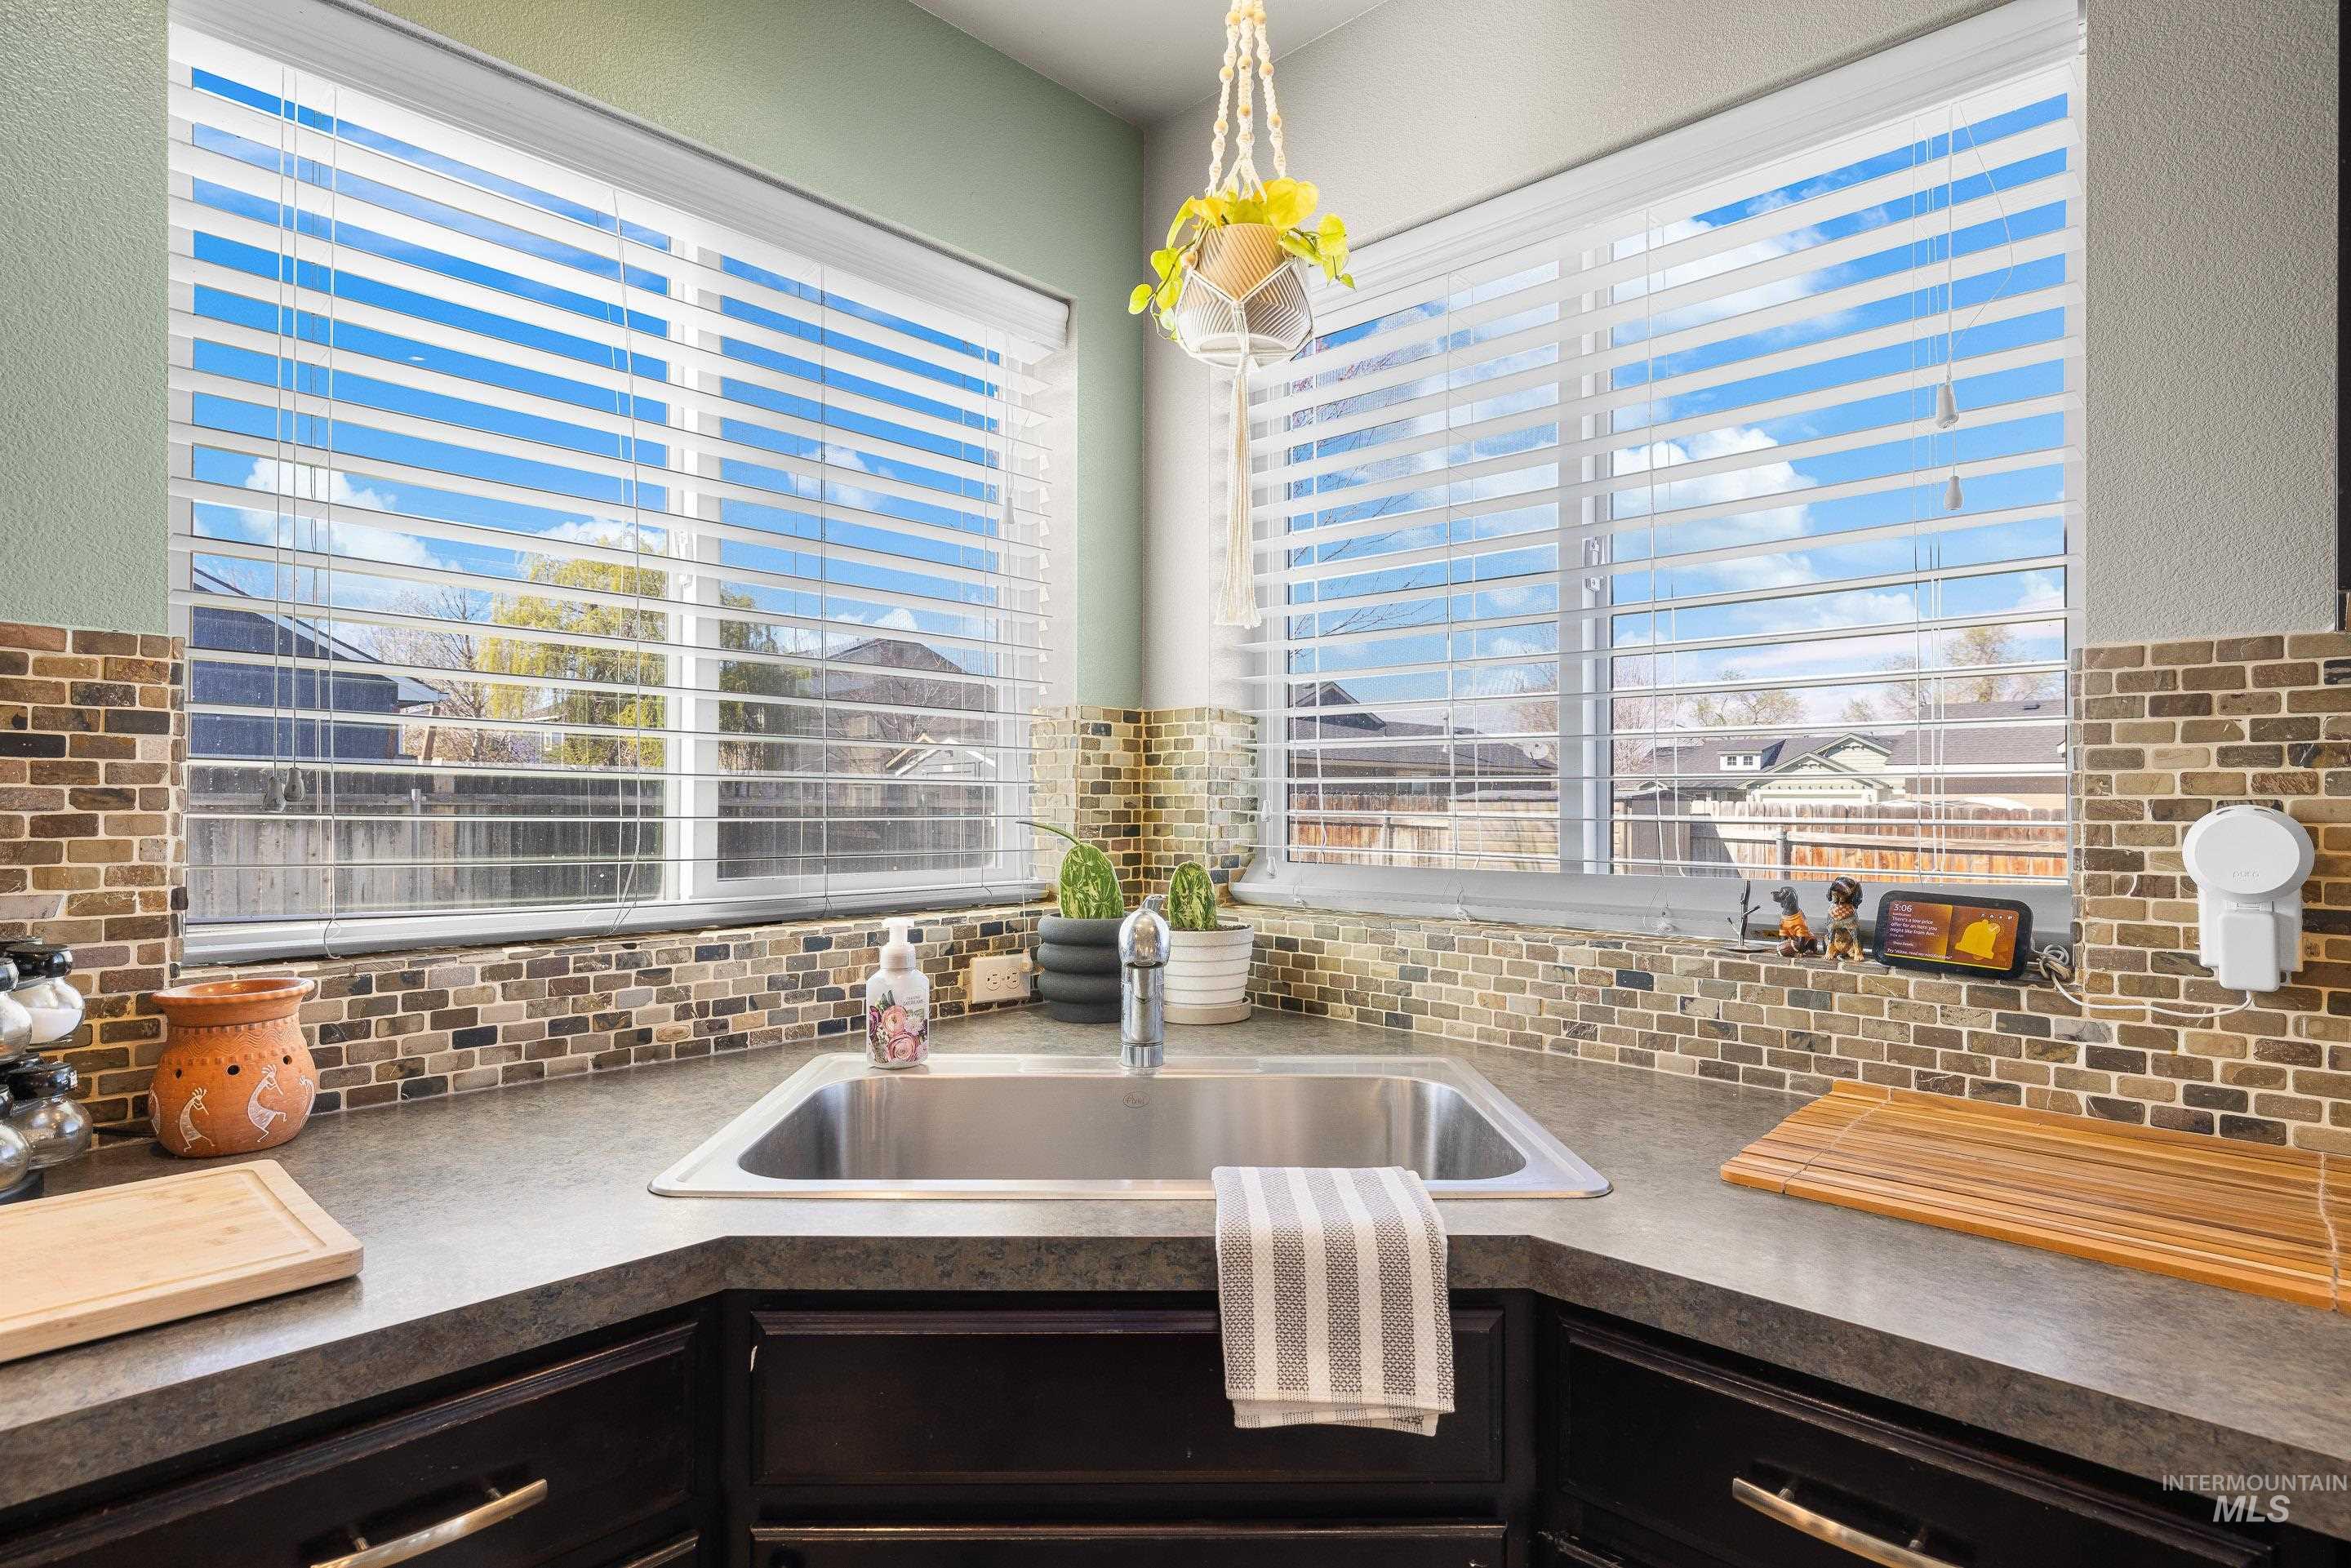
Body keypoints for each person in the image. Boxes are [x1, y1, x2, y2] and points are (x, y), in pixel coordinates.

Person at [1823, 875, 1864, 964]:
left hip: (1850, 945)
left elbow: (1856, 933)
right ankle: (1831, 949)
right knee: (1829, 932)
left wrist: (1858, 952)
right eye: (1839, 880)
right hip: (1836, 944)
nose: (1840, 883)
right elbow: (1830, 931)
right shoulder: (1832, 911)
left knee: (1856, 932)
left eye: (1849, 884)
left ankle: (1857, 951)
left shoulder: (1852, 913)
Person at [1771, 886, 1820, 957]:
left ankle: (1807, 950)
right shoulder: (1784, 918)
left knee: (1811, 939)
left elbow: (1802, 936)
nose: (1778, 894)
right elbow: (1784, 934)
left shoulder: (1799, 919)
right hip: (1794, 942)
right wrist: (1782, 948)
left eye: (1782, 892)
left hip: (1805, 942)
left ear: (1789, 898)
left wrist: (1800, 951)